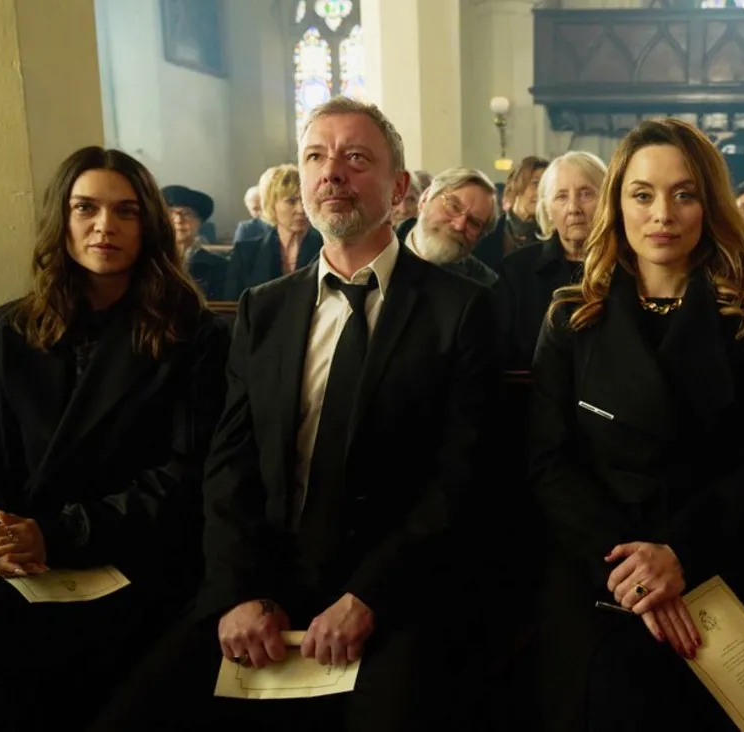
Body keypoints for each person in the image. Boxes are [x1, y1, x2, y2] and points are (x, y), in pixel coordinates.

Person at [90, 97, 499, 732]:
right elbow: (229, 465)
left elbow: (459, 478)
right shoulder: (264, 308)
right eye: (315, 157)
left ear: (398, 189)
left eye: (355, 157)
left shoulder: (461, 308)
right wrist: (238, 591)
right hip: (267, 582)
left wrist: (369, 596)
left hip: (395, 590)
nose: (331, 172)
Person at [529, 119, 744, 731]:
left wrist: (678, 555)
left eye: (684, 194)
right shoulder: (572, 317)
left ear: (710, 205)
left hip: (714, 560)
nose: (662, 214)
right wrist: (633, 576)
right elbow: (549, 463)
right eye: (642, 194)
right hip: (599, 565)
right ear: (618, 205)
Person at [0, 146, 229, 731]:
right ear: (62, 219)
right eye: (85, 208)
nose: (104, 226)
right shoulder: (4, 333)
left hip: (134, 559)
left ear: (148, 225)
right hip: (21, 562)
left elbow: (185, 477)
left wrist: (56, 533)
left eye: (125, 211)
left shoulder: (192, 337)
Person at [494, 151, 606, 370]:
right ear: (547, 208)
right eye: (561, 197)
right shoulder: (515, 271)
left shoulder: (631, 268)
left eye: (586, 194)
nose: (573, 208)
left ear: (607, 201)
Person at [223, 164, 323, 300]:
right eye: (291, 201)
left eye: (305, 200)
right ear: (271, 205)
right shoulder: (246, 254)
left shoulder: (326, 249)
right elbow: (233, 306)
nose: (301, 209)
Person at [396, 167, 501, 287]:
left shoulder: (485, 287)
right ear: (425, 198)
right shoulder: (381, 246)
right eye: (454, 207)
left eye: (474, 222)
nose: (459, 225)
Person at [163, 184, 228, 300]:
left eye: (186, 213)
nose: (178, 220)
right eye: (171, 213)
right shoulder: (148, 262)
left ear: (200, 222)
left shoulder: (220, 266)